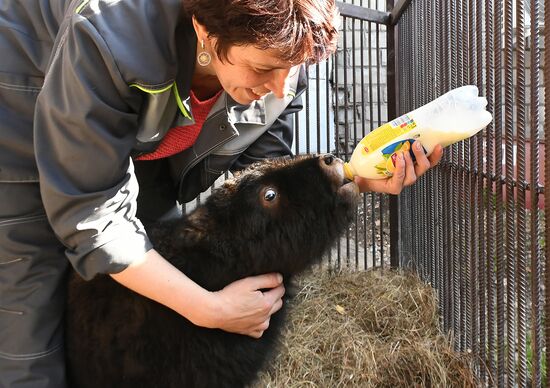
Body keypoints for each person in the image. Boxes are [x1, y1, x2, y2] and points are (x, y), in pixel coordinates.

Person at [0, 0, 443, 387]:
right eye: (264, 68)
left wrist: (356, 179)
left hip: (138, 137)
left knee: (137, 273)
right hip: (20, 107)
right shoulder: (112, 36)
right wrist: (207, 309)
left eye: (293, 69)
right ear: (206, 33)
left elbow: (263, 183)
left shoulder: (279, 64)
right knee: (30, 316)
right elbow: (91, 215)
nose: (281, 88)